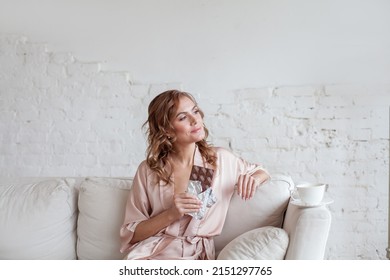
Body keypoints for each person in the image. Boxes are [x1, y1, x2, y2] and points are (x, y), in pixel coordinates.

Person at [119, 89, 270, 260]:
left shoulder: (219, 159)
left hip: (196, 255)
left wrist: (254, 179)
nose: (195, 120)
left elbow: (261, 171)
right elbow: (132, 233)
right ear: (166, 129)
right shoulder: (149, 170)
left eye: (195, 111)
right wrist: (171, 214)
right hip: (151, 254)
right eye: (182, 117)